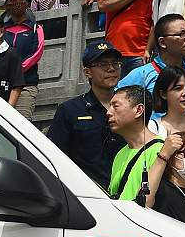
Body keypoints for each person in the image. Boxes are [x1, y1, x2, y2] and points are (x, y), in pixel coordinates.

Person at [45, 39, 127, 185]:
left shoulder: (130, 107)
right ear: (87, 72)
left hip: (126, 193)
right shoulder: (70, 110)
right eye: (103, 65)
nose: (111, 69)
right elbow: (54, 156)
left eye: (115, 63)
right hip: (86, 194)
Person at [104, 85, 162, 205]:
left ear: (139, 110)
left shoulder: (161, 151)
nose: (108, 112)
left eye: (115, 106)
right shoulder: (120, 153)